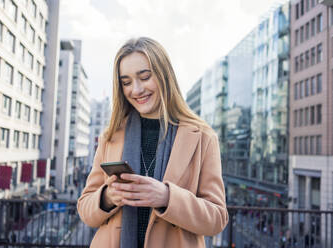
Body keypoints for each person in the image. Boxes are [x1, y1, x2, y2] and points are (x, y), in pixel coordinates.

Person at [77, 37, 228, 248]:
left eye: (145, 77)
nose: (136, 90)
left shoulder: (203, 137)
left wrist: (167, 197)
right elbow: (85, 209)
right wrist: (108, 197)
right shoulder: (110, 136)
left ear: (164, 76)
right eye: (126, 82)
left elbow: (217, 219)